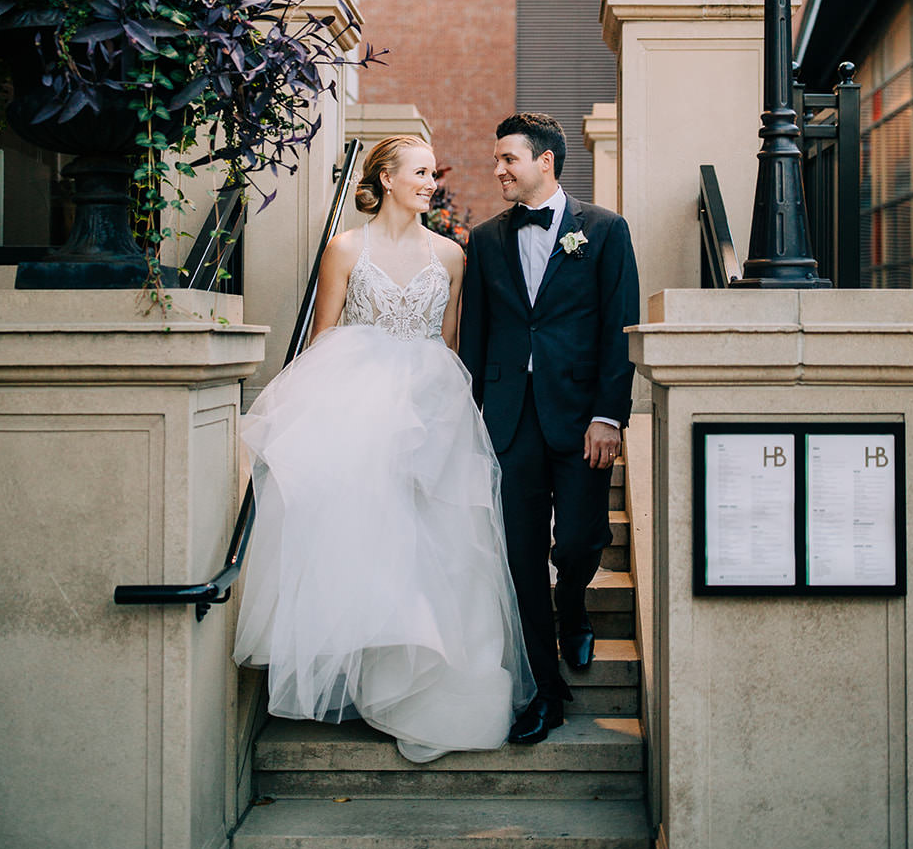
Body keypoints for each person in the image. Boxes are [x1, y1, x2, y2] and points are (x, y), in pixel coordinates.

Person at [233, 134, 534, 762]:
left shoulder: (453, 255)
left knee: (441, 541)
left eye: (431, 174)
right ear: (388, 178)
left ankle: (433, 684)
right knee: (368, 538)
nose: (431, 182)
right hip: (357, 399)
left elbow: (451, 341)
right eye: (421, 172)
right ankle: (375, 676)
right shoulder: (345, 248)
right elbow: (323, 337)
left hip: (434, 405)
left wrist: (452, 416)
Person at [459, 112, 640, 746]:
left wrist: (607, 415)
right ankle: (544, 690)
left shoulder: (605, 231)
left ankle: (575, 603)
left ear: (546, 162)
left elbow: (620, 329)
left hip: (581, 418)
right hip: (510, 423)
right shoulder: (482, 241)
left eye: (509, 158)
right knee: (520, 556)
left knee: (582, 542)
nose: (499, 169)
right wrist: (474, 420)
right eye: (497, 159)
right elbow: (476, 337)